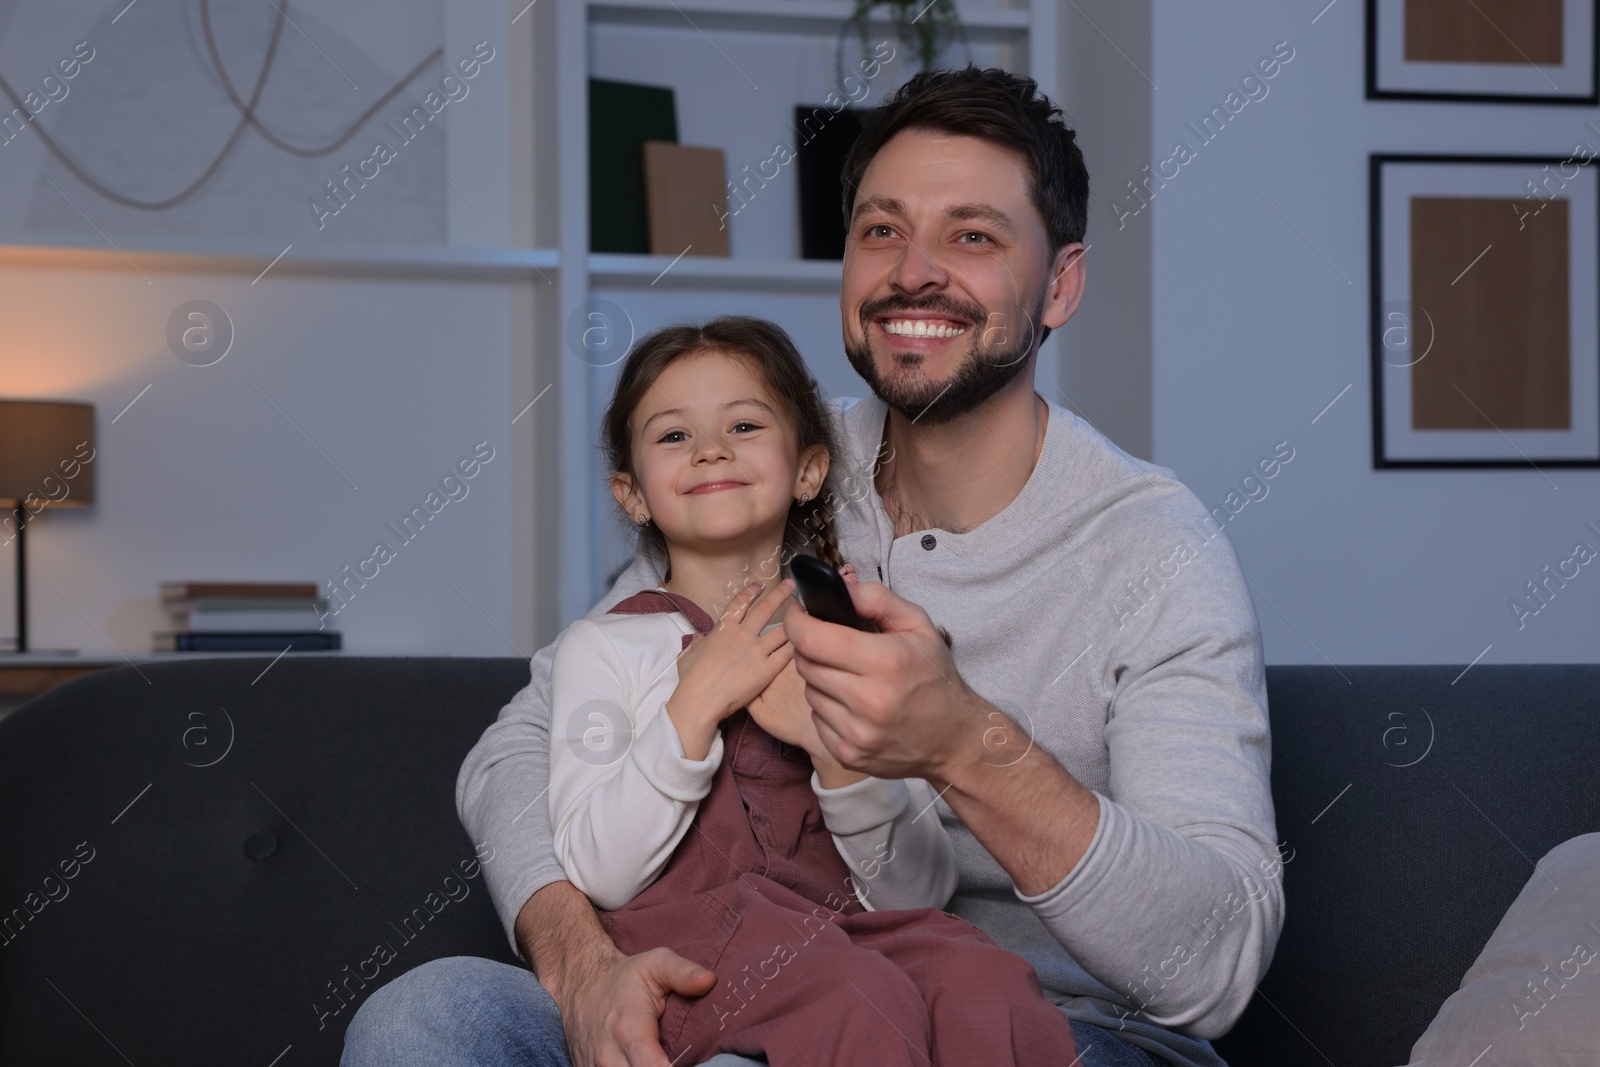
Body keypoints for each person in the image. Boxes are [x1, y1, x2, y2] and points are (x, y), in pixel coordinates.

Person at [343, 65, 1283, 1067]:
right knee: (425, 1018)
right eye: (881, 230)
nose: (911, 271)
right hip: (771, 986)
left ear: (1060, 283)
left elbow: (1212, 960)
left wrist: (964, 745)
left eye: (972, 235)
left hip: (1062, 1027)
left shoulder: (1153, 548)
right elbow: (514, 751)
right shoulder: (774, 462)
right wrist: (581, 962)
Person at [546, 315, 1080, 1066]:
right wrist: (694, 705)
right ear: (632, 495)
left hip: (842, 932)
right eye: (673, 436)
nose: (710, 449)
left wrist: (837, 755)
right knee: (852, 993)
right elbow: (597, 867)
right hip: (690, 947)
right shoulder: (604, 647)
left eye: (743, 424)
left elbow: (917, 892)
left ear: (807, 470)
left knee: (981, 977)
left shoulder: (848, 640)